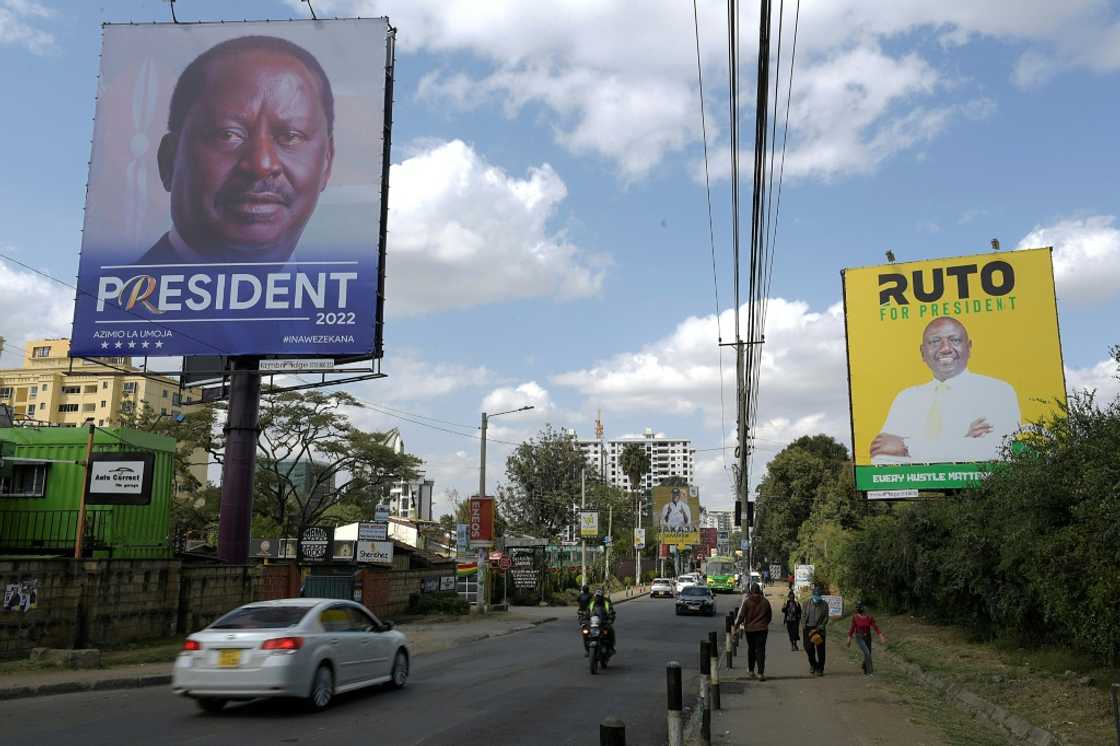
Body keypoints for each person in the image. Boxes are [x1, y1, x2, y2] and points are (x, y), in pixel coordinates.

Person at [138, 35, 335, 265]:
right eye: (227, 134)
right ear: (169, 161)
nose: (261, 164)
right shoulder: (108, 301)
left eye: (290, 137)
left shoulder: (346, 300)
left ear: (326, 164)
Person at [871, 317, 1021, 464]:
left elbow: (999, 451)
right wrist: (963, 441)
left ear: (969, 347)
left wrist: (907, 446)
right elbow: (880, 455)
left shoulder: (997, 392)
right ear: (923, 352)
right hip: (920, 488)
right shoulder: (906, 399)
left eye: (954, 340)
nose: (945, 349)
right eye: (935, 341)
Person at [735, 583, 772, 681]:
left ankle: (751, 671)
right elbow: (769, 616)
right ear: (759, 590)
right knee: (761, 651)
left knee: (751, 649)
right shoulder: (765, 602)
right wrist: (764, 624)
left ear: (751, 591)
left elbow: (742, 616)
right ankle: (760, 673)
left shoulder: (747, 602)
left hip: (750, 630)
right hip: (762, 630)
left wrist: (736, 626)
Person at [847, 602, 886, 675]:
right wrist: (849, 639)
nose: (866, 609)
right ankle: (870, 671)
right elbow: (852, 628)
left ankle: (865, 666)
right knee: (867, 653)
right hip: (859, 637)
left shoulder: (869, 617)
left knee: (868, 653)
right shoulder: (855, 618)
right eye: (864, 608)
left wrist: (881, 636)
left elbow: (875, 627)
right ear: (861, 609)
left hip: (868, 636)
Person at [802, 584, 830, 676]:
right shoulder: (806, 603)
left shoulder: (824, 604)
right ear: (813, 595)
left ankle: (820, 669)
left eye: (819, 596)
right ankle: (813, 665)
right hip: (808, 629)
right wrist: (803, 625)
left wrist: (822, 625)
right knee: (808, 648)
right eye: (816, 596)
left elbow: (826, 617)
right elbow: (803, 615)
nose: (817, 598)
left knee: (820, 650)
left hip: (819, 629)